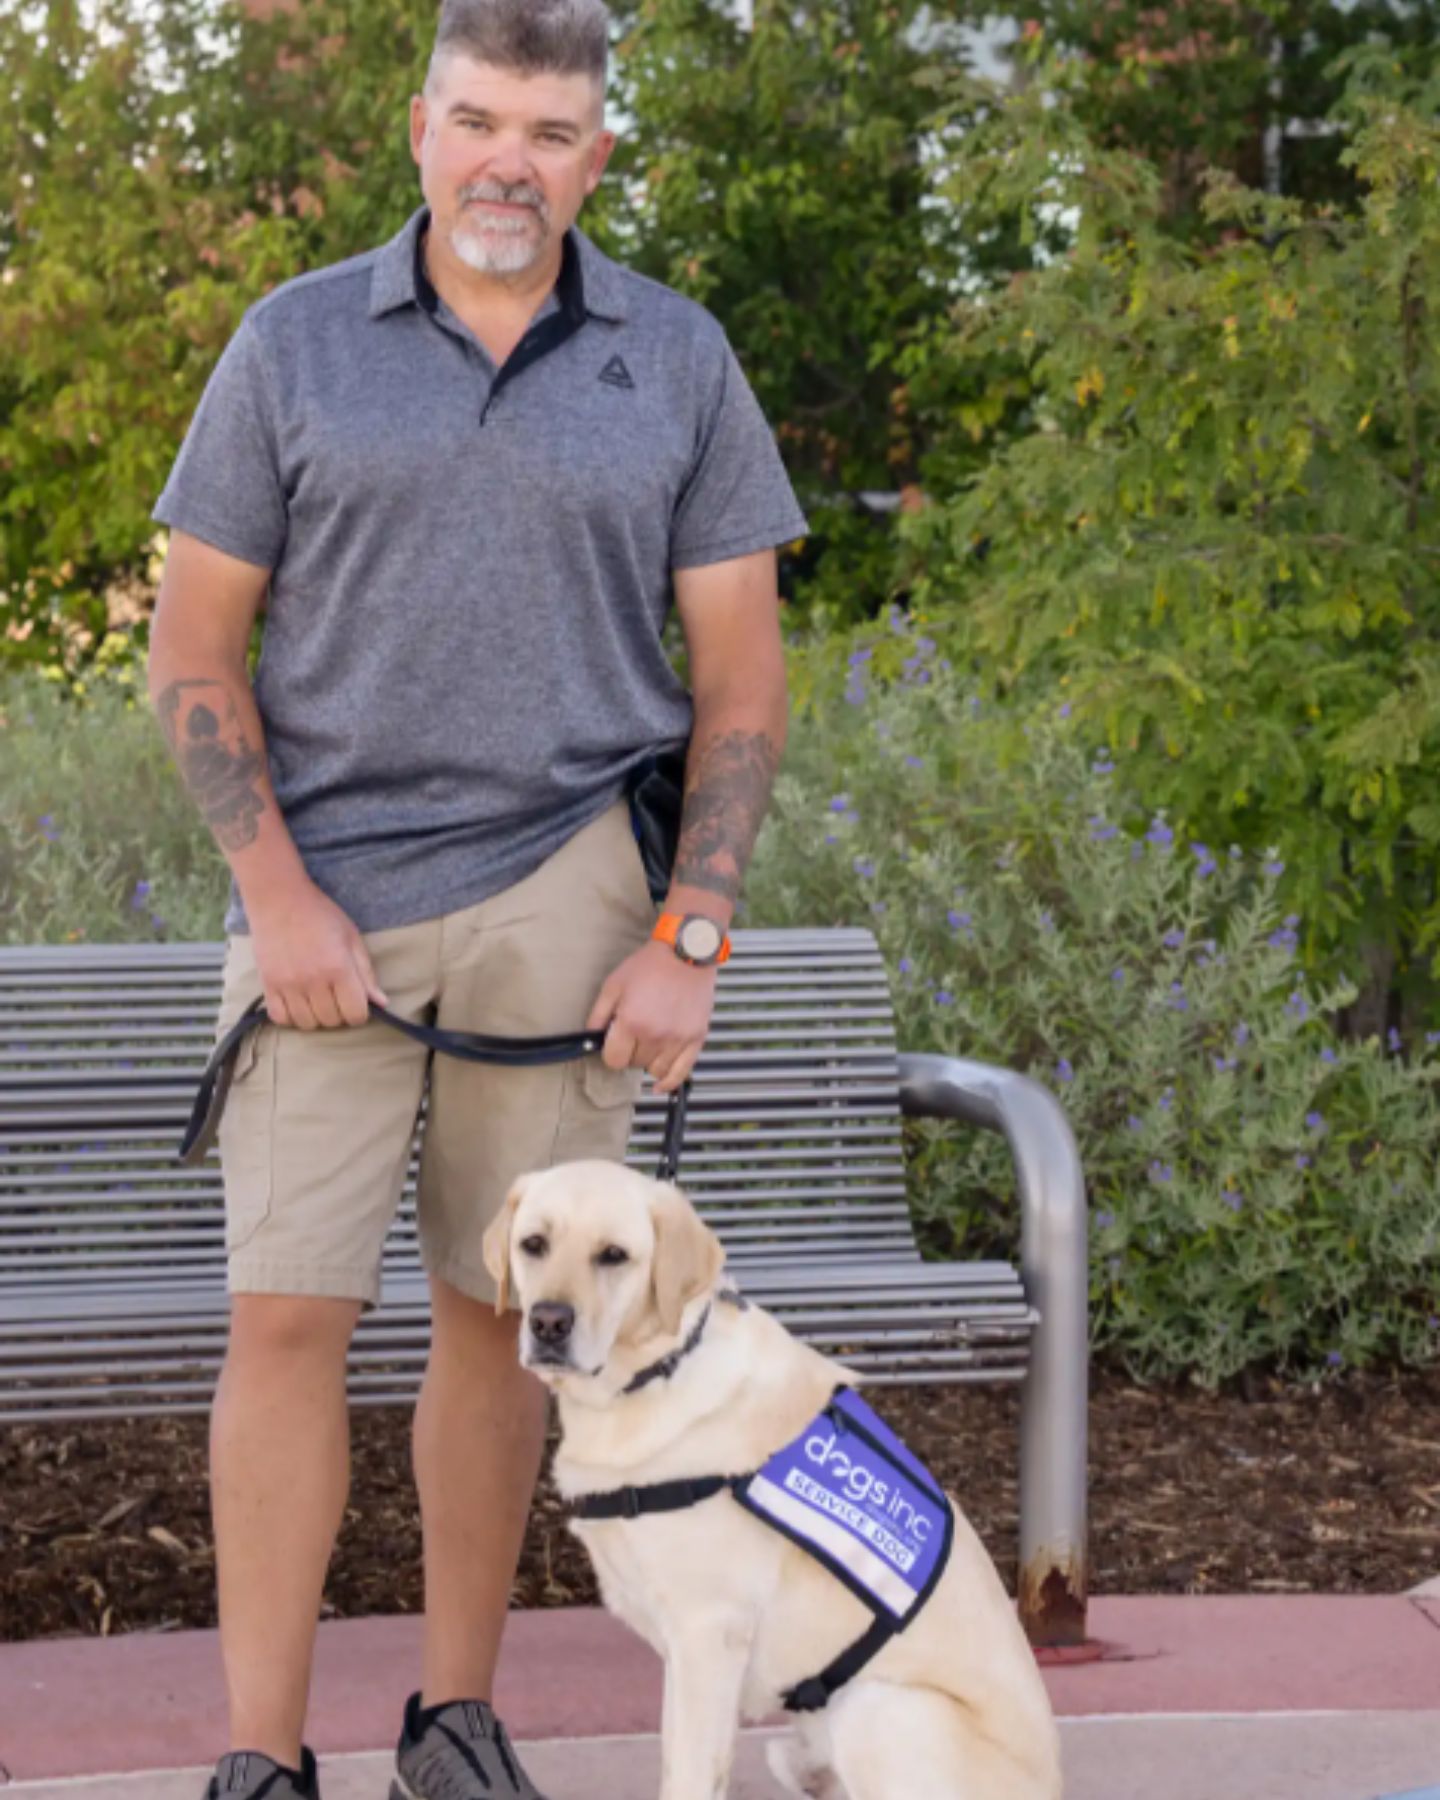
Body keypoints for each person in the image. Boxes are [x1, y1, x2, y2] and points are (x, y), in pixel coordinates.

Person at [145, 2, 806, 1796]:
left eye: (553, 128)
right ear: (420, 128)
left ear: (599, 154)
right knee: (285, 1313)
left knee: (497, 1316)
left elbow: (739, 678)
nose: (512, 157)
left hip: (572, 887)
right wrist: (274, 899)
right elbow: (194, 647)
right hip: (324, 901)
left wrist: (692, 932)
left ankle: (453, 1722)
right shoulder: (290, 347)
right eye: (482, 119)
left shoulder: (674, 358)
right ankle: (259, 1761)